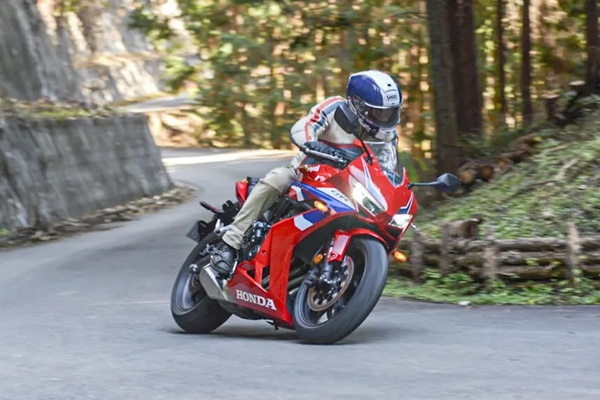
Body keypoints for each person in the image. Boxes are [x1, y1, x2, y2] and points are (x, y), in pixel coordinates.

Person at [210, 69, 403, 277]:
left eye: (389, 113)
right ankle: (229, 243)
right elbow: (306, 125)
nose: (384, 119)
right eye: (377, 112)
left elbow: (386, 169)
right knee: (279, 178)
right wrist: (312, 143)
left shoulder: (388, 137)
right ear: (358, 104)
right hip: (306, 174)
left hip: (346, 190)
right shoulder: (335, 108)